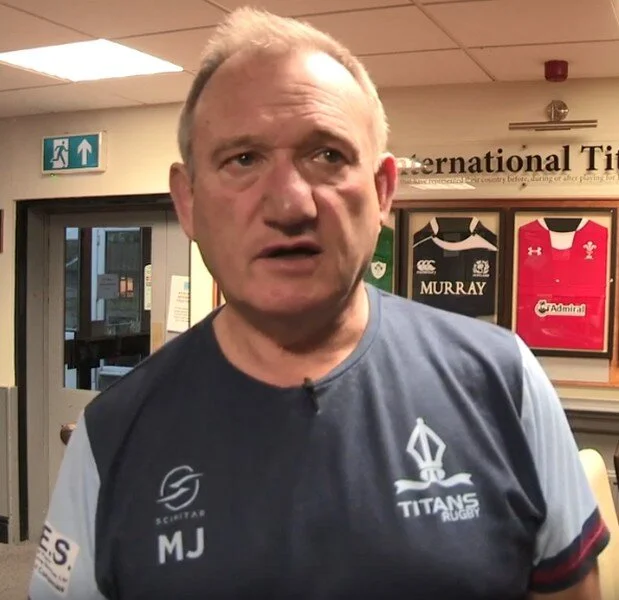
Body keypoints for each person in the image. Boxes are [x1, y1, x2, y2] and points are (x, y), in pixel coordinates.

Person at [29, 7, 609, 600]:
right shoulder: (111, 436)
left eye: (328, 155)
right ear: (189, 202)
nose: (289, 204)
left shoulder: (502, 381)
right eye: (243, 159)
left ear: (383, 192)